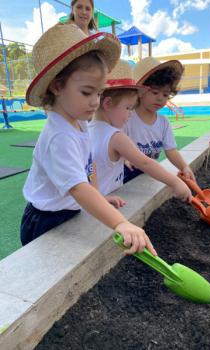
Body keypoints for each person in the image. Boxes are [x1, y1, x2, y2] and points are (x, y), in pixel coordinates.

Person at [20, 24, 156, 256]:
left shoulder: (80, 121)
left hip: (68, 209)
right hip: (45, 220)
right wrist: (120, 223)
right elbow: (79, 188)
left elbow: (88, 166)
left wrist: (100, 195)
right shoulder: (59, 136)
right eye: (86, 92)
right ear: (57, 86)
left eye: (99, 93)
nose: (95, 101)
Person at [88, 59, 192, 203]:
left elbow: (89, 169)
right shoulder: (116, 134)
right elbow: (145, 163)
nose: (130, 113)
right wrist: (176, 183)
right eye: (128, 108)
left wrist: (97, 196)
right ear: (108, 104)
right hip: (110, 193)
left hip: (95, 199)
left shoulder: (85, 130)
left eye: (165, 95)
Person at [123, 57, 195, 183]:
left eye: (165, 94)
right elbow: (115, 144)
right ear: (140, 92)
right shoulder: (128, 118)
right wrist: (124, 158)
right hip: (125, 173)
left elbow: (171, 150)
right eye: (155, 92)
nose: (160, 98)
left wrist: (184, 167)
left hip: (149, 173)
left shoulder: (163, 122)